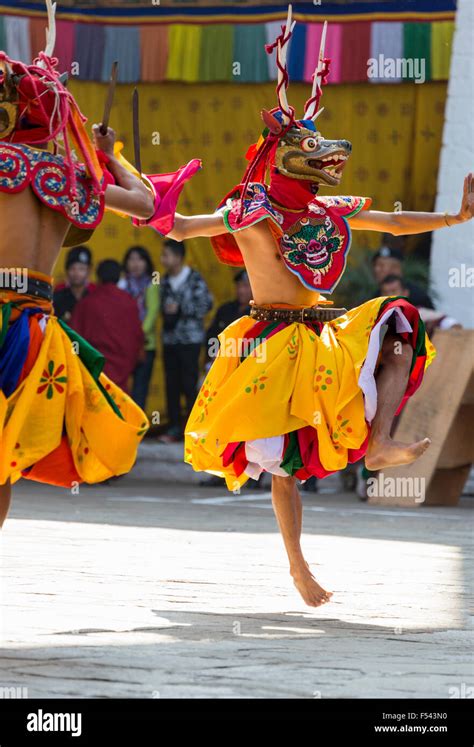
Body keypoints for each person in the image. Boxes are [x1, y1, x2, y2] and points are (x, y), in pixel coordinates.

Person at [137, 11, 473, 607]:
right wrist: (144, 196)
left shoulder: (325, 210)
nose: (328, 158)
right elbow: (184, 227)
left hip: (322, 333)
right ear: (288, 156)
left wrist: (455, 217)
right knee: (285, 466)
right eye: (314, 150)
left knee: (400, 323)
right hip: (270, 342)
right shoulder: (251, 209)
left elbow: (391, 218)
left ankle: (380, 440)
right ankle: (298, 567)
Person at [0, 0, 172, 526]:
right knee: (3, 461)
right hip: (36, 332)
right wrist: (109, 155)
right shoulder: (68, 174)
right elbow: (148, 204)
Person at [159, 238, 213, 442]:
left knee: (189, 383)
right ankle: (173, 427)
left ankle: (192, 428)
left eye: (167, 255)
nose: (163, 259)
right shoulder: (163, 280)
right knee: (171, 383)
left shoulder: (194, 278)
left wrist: (182, 309)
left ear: (179, 257)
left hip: (190, 340)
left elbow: (207, 304)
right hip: (170, 340)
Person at [71, 260, 144, 392]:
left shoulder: (87, 303)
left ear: (98, 277)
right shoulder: (129, 302)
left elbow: (75, 338)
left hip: (95, 371)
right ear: (119, 277)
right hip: (122, 370)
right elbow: (137, 337)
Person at [119, 245, 159, 410]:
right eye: (131, 259)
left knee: (140, 388)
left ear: (146, 263)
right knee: (121, 385)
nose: (135, 263)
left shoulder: (152, 284)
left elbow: (153, 312)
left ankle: (138, 429)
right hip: (124, 344)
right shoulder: (121, 284)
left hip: (145, 345)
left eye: (139, 259)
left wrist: (138, 335)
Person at [380, 274, 461, 335]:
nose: (389, 297)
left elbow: (449, 322)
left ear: (405, 293)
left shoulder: (418, 313)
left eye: (394, 291)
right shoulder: (376, 317)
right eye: (385, 293)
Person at [205, 269, 252, 366]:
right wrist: (214, 353)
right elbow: (211, 334)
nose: (241, 290)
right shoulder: (225, 309)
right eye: (238, 286)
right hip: (221, 361)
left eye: (245, 286)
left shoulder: (258, 313)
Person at [372, 241, 434, 309]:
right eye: (377, 266)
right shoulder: (374, 298)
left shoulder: (418, 297)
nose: (377, 270)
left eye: (381, 266)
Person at [53, 245, 95, 323]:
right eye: (72, 268)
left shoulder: (94, 293)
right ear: (67, 270)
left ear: (89, 270)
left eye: (81, 269)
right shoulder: (58, 295)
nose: (76, 273)